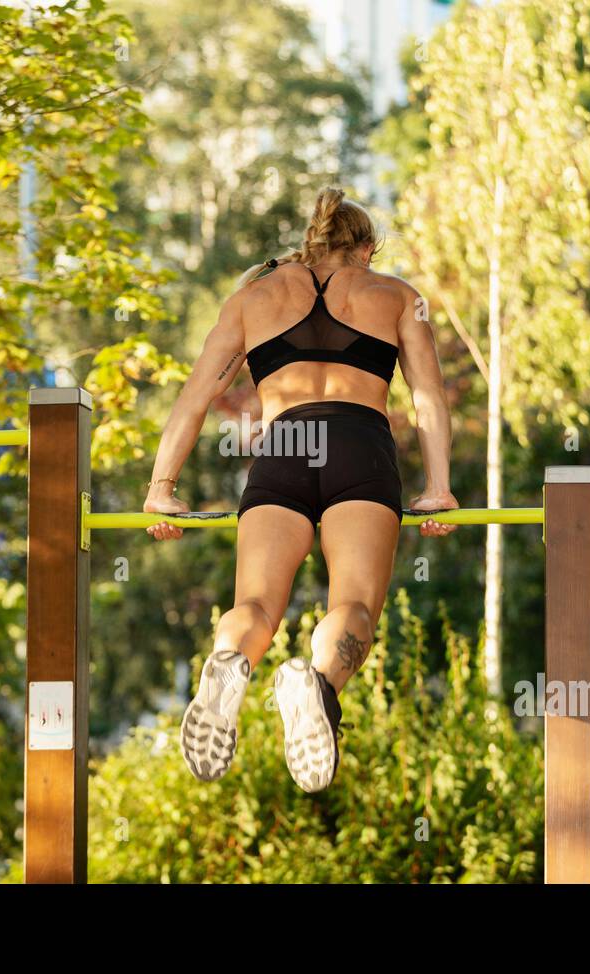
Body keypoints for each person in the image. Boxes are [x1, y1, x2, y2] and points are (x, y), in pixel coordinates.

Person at [143, 186, 458, 792]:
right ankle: (316, 683)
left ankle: (228, 662)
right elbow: (427, 399)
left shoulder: (249, 300)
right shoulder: (397, 296)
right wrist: (437, 488)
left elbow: (195, 398)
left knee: (256, 604)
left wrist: (162, 488)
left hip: (281, 451)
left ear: (311, 242)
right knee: (355, 605)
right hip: (359, 448)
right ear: (366, 249)